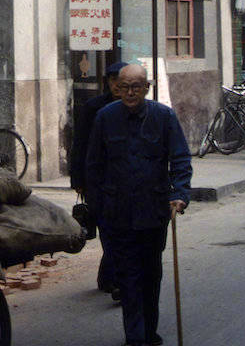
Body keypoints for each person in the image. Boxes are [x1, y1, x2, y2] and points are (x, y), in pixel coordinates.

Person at [85, 63, 192, 346]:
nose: (130, 92)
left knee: (150, 275)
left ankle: (148, 331)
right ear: (116, 88)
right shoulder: (105, 118)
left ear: (147, 87)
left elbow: (180, 158)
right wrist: (97, 206)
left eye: (136, 87)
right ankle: (135, 337)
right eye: (124, 87)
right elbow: (93, 165)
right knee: (128, 276)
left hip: (153, 211)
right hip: (117, 213)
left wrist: (180, 193)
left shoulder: (164, 117)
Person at [69, 60, 128, 297]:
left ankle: (109, 276)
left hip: (124, 180)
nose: (117, 86)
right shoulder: (93, 107)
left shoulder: (132, 106)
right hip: (97, 180)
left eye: (121, 81)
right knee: (107, 228)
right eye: (113, 81)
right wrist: (78, 180)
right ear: (108, 82)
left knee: (119, 231)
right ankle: (114, 279)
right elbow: (80, 144)